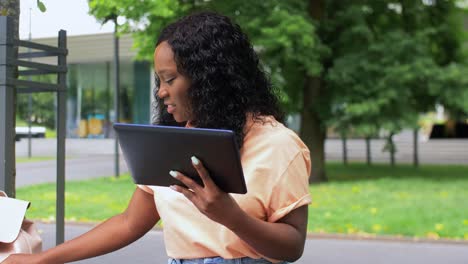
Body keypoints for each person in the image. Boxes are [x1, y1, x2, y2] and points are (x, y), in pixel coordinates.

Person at [4, 11, 311, 264]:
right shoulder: (172, 142)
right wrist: (41, 260)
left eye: (170, 79)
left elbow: (292, 246)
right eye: (158, 80)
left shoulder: (278, 144)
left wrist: (231, 216)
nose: (160, 92)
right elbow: (129, 222)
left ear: (209, 78)